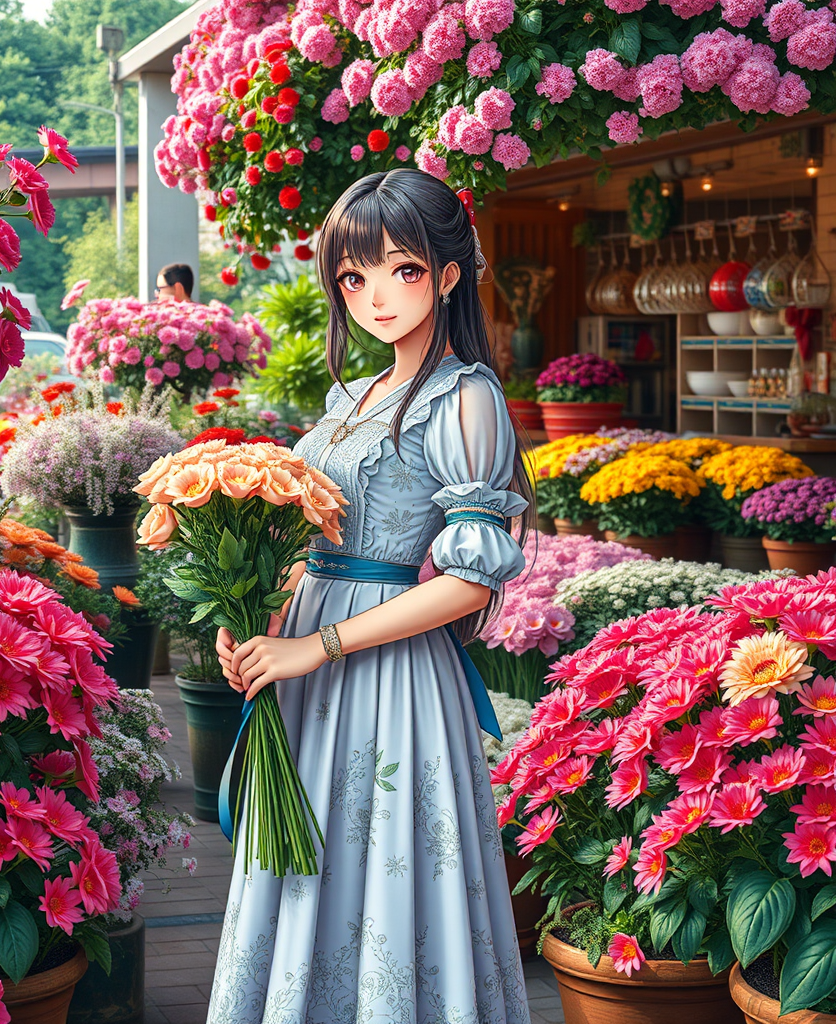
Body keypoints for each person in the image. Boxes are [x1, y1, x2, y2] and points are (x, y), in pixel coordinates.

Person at [208, 167, 534, 1024]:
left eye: (403, 270)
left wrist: (314, 645)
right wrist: (259, 620)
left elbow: (467, 582)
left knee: (385, 866)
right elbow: (308, 541)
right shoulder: (348, 398)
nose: (377, 296)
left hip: (386, 674)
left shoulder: (466, 396)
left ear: (449, 274)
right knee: (303, 863)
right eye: (354, 277)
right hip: (304, 657)